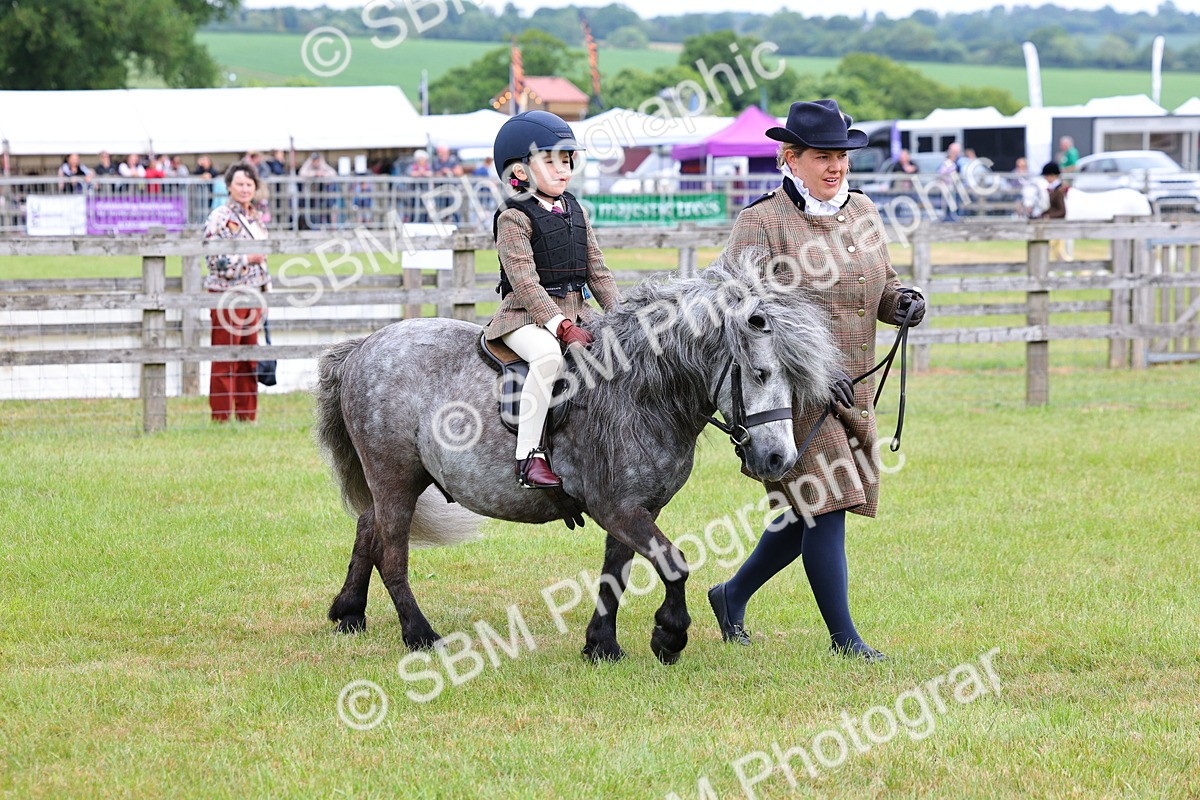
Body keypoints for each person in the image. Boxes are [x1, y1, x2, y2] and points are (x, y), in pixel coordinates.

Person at [706, 99, 927, 661]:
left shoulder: (864, 213)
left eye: (842, 157)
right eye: (823, 156)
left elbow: (882, 287)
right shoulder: (760, 222)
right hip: (791, 392)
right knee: (826, 504)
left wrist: (901, 303)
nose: (836, 167)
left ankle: (731, 596)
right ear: (790, 158)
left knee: (803, 509)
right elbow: (740, 308)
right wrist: (806, 365)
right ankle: (844, 639)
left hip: (855, 388)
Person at [483, 110, 620, 488]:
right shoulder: (513, 217)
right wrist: (559, 326)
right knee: (547, 357)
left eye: (566, 160)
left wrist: (623, 317)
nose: (563, 169)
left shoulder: (576, 208)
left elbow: (598, 272)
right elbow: (525, 284)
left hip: (579, 314)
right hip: (524, 318)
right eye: (550, 160)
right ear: (521, 171)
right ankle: (529, 457)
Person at [202, 161, 271, 422]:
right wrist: (247, 259)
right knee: (224, 357)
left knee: (248, 358)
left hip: (253, 295)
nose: (244, 189)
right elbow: (213, 260)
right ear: (229, 186)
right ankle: (220, 417)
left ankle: (247, 416)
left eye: (249, 184)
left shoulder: (256, 217)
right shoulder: (219, 217)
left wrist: (266, 294)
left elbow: (265, 259)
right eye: (239, 184)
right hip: (226, 296)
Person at [1040, 161, 1073, 262]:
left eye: (1046, 176)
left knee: (1056, 250)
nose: (1045, 178)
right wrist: (1043, 214)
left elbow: (1062, 211)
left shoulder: (1059, 190)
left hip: (1059, 224)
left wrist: (1049, 216)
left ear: (1052, 175)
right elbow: (1053, 208)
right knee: (1056, 251)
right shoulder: (1054, 189)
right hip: (1056, 223)